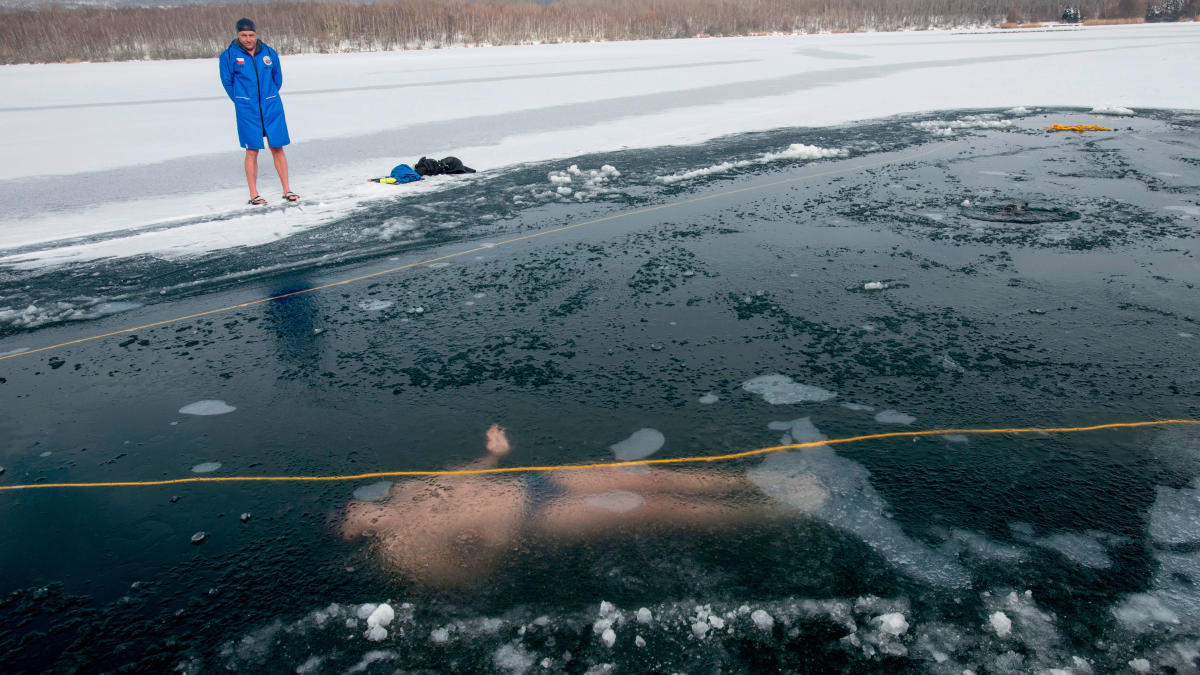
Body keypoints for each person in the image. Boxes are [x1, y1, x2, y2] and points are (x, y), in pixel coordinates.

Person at [341, 424, 795, 588]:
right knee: (652, 506)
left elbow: (467, 476)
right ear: (353, 536)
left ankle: (750, 480)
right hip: (535, 518)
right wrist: (495, 547)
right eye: (345, 520)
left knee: (647, 477)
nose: (352, 512)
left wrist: (494, 453)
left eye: (349, 508)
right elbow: (464, 580)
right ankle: (777, 511)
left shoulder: (405, 490)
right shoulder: (401, 551)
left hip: (537, 483)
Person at [219, 18, 298, 205]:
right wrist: (242, 100)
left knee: (277, 147)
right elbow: (227, 82)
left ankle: (287, 189)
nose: (248, 39)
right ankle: (254, 194)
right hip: (247, 109)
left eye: (251, 35)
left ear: (256, 34)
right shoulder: (228, 56)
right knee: (252, 149)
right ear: (238, 35)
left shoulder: (269, 53)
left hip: (271, 106)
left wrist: (267, 97)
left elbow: (277, 79)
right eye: (243, 35)